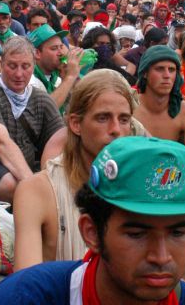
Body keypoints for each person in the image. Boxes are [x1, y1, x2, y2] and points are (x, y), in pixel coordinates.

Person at [0, 136, 185, 304]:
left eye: (178, 233)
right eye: (137, 234)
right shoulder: (25, 298)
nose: (160, 256)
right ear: (92, 233)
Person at [13, 70, 142, 270]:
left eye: (124, 120)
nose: (116, 129)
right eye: (103, 118)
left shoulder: (140, 187)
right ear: (76, 124)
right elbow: (26, 284)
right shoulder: (37, 191)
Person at [0, 36, 66, 202]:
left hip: (25, 170)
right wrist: (35, 186)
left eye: (25, 66)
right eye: (12, 66)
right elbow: (1, 144)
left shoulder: (41, 99)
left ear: (33, 66)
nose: (19, 74)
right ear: (1, 64)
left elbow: (59, 141)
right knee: (13, 185)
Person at [133, 45, 185, 154]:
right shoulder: (129, 107)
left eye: (172, 70)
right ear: (145, 73)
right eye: (159, 69)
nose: (167, 75)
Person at [28, 23, 82, 109]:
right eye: (54, 48)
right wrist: (70, 77)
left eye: (61, 47)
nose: (61, 53)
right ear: (37, 54)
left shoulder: (56, 76)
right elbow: (46, 111)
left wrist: (68, 79)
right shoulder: (28, 80)